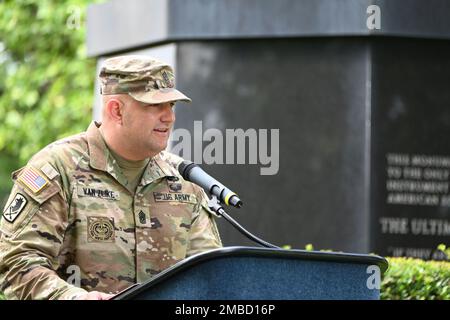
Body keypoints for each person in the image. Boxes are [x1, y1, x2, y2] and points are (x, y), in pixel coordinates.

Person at [0, 55, 222, 300]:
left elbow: (213, 277)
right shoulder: (57, 169)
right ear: (116, 110)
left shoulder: (183, 182)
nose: (169, 117)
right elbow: (15, 264)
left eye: (171, 105)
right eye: (154, 105)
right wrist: (74, 298)